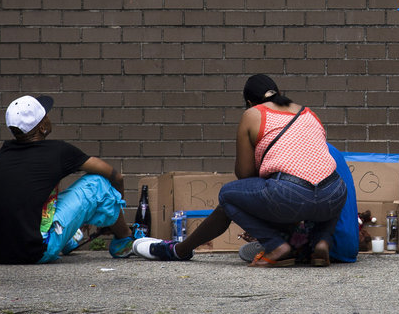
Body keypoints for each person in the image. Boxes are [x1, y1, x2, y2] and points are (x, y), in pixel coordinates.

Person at [133, 74, 349, 266]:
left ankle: (276, 246)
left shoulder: (254, 114)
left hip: (291, 194)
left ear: (249, 102)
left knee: (228, 195)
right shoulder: (308, 112)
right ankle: (322, 242)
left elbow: (245, 174)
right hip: (334, 194)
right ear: (279, 93)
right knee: (329, 185)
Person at [0, 95, 142, 264]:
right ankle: (124, 240)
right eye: (46, 115)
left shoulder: (3, 154)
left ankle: (68, 239)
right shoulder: (58, 152)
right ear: (42, 127)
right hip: (35, 251)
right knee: (98, 183)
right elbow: (115, 176)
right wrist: (115, 216)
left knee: (46, 196)